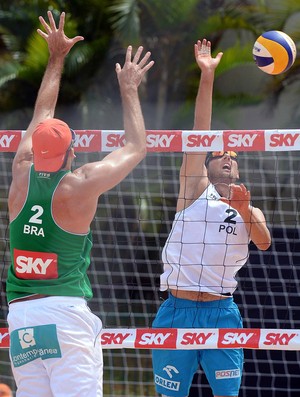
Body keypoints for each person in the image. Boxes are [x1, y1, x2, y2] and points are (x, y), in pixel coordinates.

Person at [6, 10, 154, 397]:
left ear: (35, 149)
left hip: (22, 318)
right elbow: (136, 147)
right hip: (64, 316)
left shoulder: (20, 173)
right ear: (72, 153)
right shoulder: (79, 185)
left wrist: (55, 58)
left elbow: (43, 113)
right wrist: (129, 89)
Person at [152, 39, 271, 397]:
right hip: (177, 309)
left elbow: (263, 242)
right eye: (218, 153)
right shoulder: (194, 189)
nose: (226, 156)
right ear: (206, 163)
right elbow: (199, 131)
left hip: (222, 312)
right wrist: (207, 76)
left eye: (232, 154)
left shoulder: (249, 206)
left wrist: (245, 209)